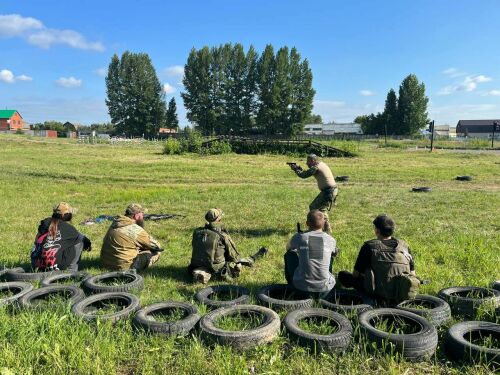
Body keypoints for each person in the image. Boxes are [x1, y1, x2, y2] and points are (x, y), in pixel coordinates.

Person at [338, 214, 419, 304]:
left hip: (376, 294)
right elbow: (413, 274)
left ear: (377, 230)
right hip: (401, 293)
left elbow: (356, 274)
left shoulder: (369, 246)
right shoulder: (404, 246)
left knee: (343, 275)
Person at [188, 208, 268, 284]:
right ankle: (254, 257)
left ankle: (202, 273)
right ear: (219, 220)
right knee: (237, 264)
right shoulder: (222, 235)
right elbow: (234, 256)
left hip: (196, 263)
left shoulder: (197, 232)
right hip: (216, 266)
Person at [284, 210, 337, 297]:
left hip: (300, 288)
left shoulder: (300, 237)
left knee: (290, 254)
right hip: (325, 289)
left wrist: (301, 249)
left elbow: (288, 248)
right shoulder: (331, 240)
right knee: (328, 255)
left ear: (307, 223)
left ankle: (291, 283)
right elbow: (334, 252)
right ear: (324, 223)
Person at [100, 203, 164, 271]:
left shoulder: (115, 223)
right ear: (136, 216)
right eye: (142, 214)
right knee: (156, 252)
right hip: (123, 267)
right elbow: (156, 246)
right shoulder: (135, 230)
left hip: (105, 263)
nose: (143, 216)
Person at [31, 202, 91, 271]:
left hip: (36, 264)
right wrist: (88, 245)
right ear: (65, 215)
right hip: (56, 267)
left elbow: (36, 241)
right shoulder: (69, 229)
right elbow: (84, 239)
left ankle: (39, 266)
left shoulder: (45, 223)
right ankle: (72, 270)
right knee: (79, 241)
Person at [289, 154, 337, 233]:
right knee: (321, 209)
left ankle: (318, 228)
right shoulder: (321, 164)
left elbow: (304, 175)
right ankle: (325, 229)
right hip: (330, 190)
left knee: (314, 207)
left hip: (328, 191)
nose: (307, 163)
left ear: (313, 161)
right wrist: (299, 168)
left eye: (308, 162)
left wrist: (295, 169)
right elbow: (308, 171)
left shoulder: (316, 167)